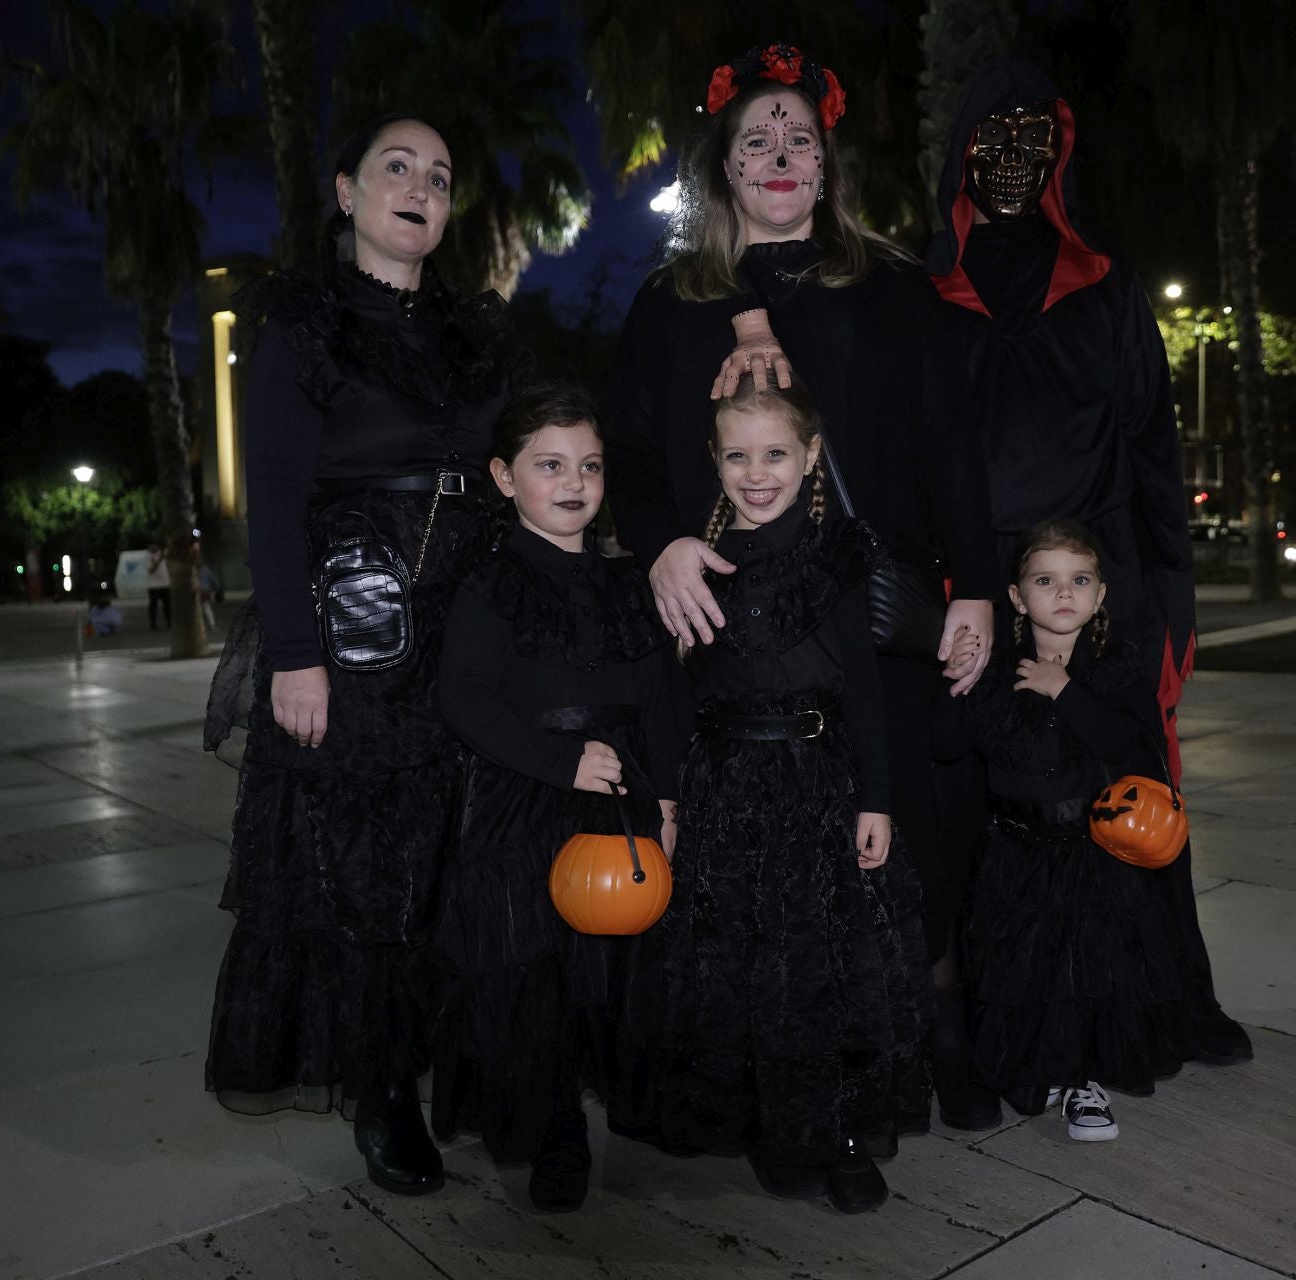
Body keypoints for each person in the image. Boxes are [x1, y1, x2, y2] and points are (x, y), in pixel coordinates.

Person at [603, 41, 1003, 1132]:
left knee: (909, 830)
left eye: (798, 140)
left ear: (826, 168)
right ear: (726, 169)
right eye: (755, 141)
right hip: (732, 630)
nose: (779, 155)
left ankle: (941, 1034)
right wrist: (662, 547)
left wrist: (975, 587)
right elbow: (631, 458)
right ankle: (776, 1065)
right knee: (757, 865)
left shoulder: (897, 292)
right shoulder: (669, 304)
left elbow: (950, 447)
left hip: (872, 612)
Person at [200, 112, 523, 1198]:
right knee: (370, 871)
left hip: (467, 621)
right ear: (346, 191)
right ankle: (383, 1086)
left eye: (439, 173)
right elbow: (278, 496)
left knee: (460, 858)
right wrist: (295, 653)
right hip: (354, 626)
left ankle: (461, 1067)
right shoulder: (300, 319)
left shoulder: (477, 334)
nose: (420, 185)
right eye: (398, 166)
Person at [916, 56, 1251, 1066]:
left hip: (1105, 581)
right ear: (960, 153)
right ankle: (987, 1016)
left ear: (1061, 156)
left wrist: (1174, 592)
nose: (1014, 159)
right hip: (973, 581)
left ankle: (1162, 1002)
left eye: (1036, 139)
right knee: (982, 804)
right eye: (993, 138)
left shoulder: (1107, 290)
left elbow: (1155, 445)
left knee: (1130, 787)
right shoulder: (924, 295)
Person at [607, 374, 928, 1215]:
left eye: (777, 453)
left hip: (821, 785)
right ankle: (770, 1125)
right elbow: (673, 699)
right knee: (739, 963)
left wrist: (878, 800)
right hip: (723, 788)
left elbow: (864, 688)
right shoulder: (691, 567)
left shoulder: (839, 556)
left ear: (811, 457)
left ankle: (840, 1129)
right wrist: (670, 802)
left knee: (823, 963)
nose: (759, 472)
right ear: (714, 462)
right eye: (739, 455)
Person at [431, 381, 689, 1213]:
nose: (574, 482)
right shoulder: (489, 586)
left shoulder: (627, 584)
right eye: (550, 465)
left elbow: (660, 699)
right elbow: (466, 700)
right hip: (526, 801)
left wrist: (671, 800)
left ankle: (632, 1101)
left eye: (589, 465)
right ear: (506, 478)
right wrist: (556, 760)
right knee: (533, 978)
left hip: (621, 800)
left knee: (617, 968)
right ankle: (554, 1133)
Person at [935, 521, 1196, 1142]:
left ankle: (1086, 1080)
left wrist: (1065, 690)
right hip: (1013, 853)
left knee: (1092, 970)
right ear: (1017, 597)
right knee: (1025, 970)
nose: (1063, 594)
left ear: (1101, 595)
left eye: (1079, 580)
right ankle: (1042, 1065)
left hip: (1094, 852)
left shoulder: (1114, 667)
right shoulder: (996, 668)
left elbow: (1129, 744)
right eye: (1045, 580)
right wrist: (956, 677)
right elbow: (948, 745)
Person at [146, 544, 171, 630]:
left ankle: (169, 623)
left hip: (165, 583)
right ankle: (153, 624)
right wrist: (159, 559)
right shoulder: (147, 556)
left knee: (167, 605)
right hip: (153, 585)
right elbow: (151, 570)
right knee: (153, 606)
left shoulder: (164, 554)